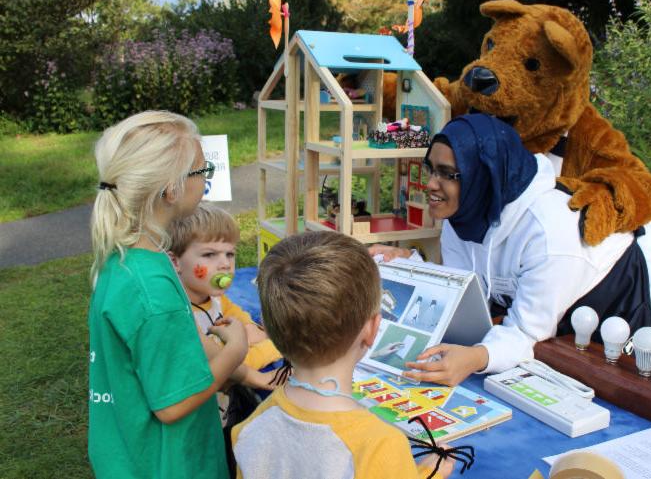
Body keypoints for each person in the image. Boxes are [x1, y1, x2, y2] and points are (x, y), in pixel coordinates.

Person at [370, 114, 651, 386]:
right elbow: (466, 290)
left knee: (632, 388)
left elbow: (528, 333)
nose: (430, 184)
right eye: (431, 169)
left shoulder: (548, 233)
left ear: (483, 176)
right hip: (575, 298)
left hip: (649, 292)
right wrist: (412, 266)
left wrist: (475, 359)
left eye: (447, 174)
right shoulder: (466, 211)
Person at [88, 111, 249, 479]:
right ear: (171, 189)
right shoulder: (152, 291)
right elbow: (174, 405)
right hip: (169, 464)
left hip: (129, 452)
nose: (205, 179)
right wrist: (236, 352)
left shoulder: (125, 259)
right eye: (200, 171)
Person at [232, 231, 453, 479]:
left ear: (270, 330)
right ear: (372, 329)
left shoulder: (250, 428)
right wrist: (429, 472)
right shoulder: (380, 445)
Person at [169, 203, 282, 375]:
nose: (225, 264)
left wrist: (250, 327)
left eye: (229, 254)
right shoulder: (179, 315)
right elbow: (233, 365)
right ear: (175, 262)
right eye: (209, 254)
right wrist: (278, 346)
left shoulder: (214, 298)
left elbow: (239, 317)